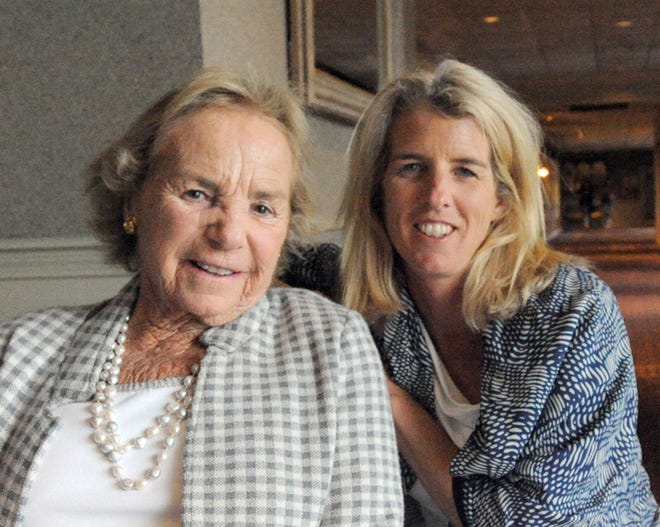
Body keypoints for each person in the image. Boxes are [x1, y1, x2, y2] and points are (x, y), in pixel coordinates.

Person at [0, 69, 404, 526]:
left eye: (262, 207)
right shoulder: (19, 351)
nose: (229, 233)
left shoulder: (328, 346)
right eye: (197, 194)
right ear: (134, 201)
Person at [282, 59, 659, 526]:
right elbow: (248, 265)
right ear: (379, 190)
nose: (436, 194)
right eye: (412, 167)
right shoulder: (347, 288)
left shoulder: (574, 313)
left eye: (465, 171)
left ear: (502, 200)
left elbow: (527, 522)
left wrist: (388, 397)